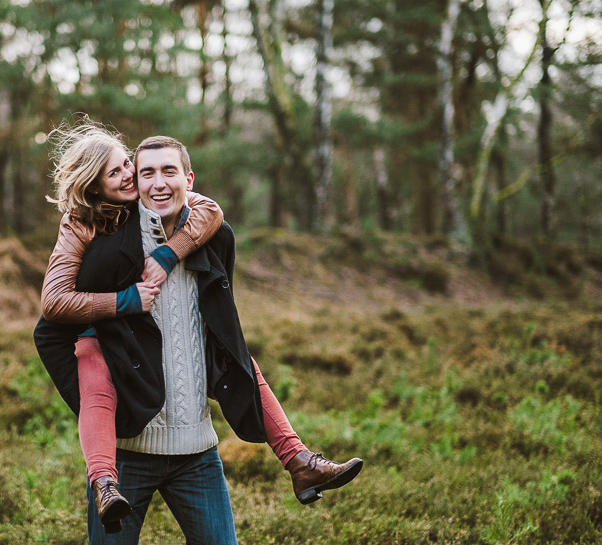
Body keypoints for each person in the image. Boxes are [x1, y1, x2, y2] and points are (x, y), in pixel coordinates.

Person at [34, 127, 363, 543]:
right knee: (94, 367)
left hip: (198, 453)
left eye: (133, 167)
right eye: (138, 171)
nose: (142, 180)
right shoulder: (94, 233)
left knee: (235, 355)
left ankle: (298, 459)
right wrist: (125, 302)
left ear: (188, 179)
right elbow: (54, 305)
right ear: (96, 187)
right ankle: (103, 479)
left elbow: (210, 210)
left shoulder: (208, 232)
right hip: (128, 451)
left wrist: (170, 253)